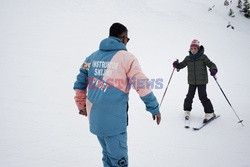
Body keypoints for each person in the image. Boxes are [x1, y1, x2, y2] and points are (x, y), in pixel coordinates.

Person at [73, 22, 161, 167]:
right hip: (114, 123)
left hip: (96, 119)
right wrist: (154, 107)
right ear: (124, 38)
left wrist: (81, 104)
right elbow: (141, 84)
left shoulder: (91, 57)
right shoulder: (127, 58)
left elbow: (80, 82)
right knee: (119, 161)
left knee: (107, 156)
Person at [173, 39, 218, 123]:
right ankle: (187, 110)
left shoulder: (203, 57)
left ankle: (210, 113)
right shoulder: (188, 58)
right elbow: (182, 65)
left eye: (195, 48)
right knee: (189, 96)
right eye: (192, 48)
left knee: (202, 96)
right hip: (192, 81)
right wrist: (177, 65)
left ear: (198, 49)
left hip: (202, 81)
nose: (193, 50)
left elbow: (211, 64)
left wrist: (213, 69)